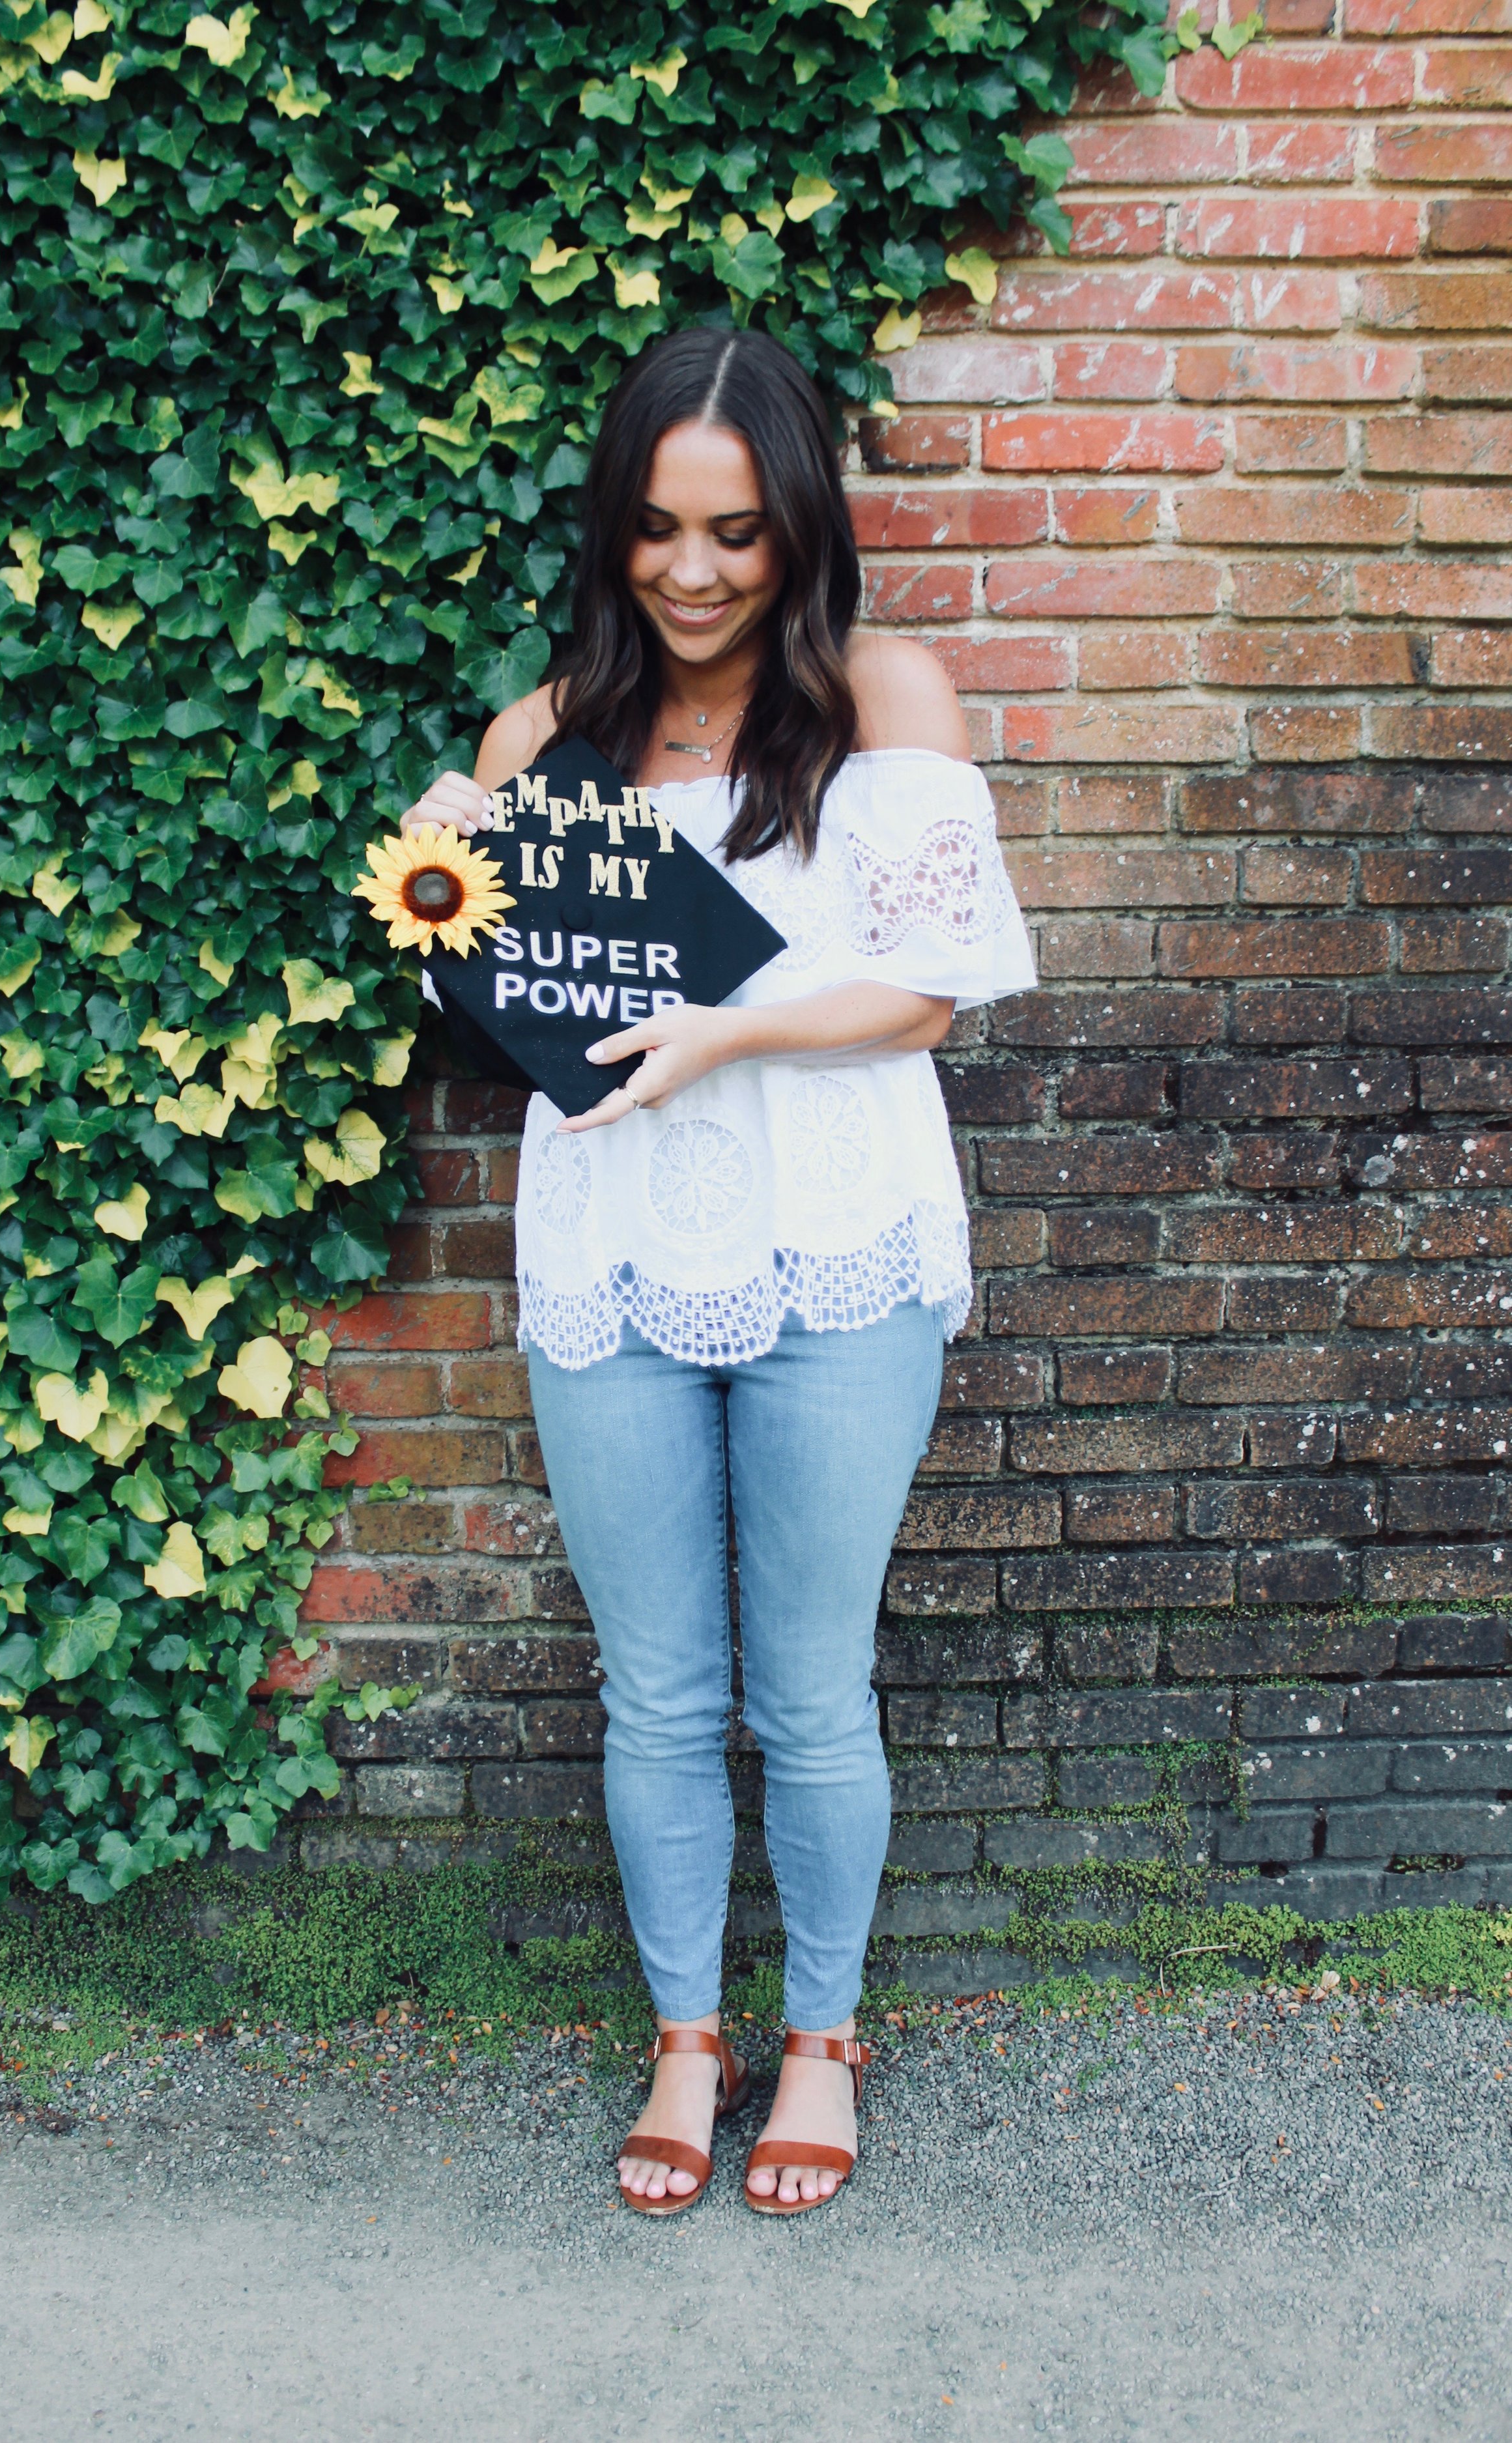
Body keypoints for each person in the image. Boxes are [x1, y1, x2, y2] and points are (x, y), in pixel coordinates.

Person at [404, 326, 1034, 2217]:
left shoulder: (882, 697)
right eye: (660, 529)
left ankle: (820, 2042)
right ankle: (690, 2038)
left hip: (837, 1242)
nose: (693, 572)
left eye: (738, 534)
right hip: (612, 1251)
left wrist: (731, 1032)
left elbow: (927, 994)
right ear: (614, 526)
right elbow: (516, 1015)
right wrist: (444, 889)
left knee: (813, 1691)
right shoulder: (544, 734)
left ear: (801, 528)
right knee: (660, 1694)